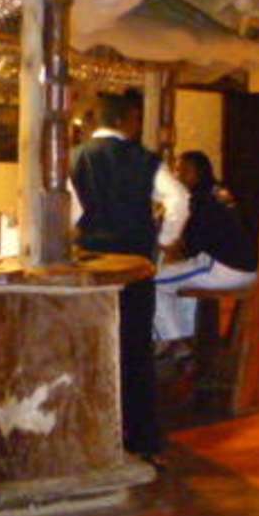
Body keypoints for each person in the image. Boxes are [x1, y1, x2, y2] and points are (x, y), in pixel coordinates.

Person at [70, 92, 188, 462]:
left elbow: (69, 210)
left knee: (91, 349)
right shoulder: (144, 159)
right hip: (136, 265)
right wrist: (164, 241)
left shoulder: (76, 157)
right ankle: (142, 441)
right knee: (135, 351)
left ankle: (93, 437)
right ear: (127, 120)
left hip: (92, 266)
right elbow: (179, 199)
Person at [154, 151, 258, 346]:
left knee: (153, 281)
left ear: (198, 174)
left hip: (227, 267)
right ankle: (187, 340)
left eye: (183, 171)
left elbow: (187, 248)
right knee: (179, 275)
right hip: (244, 266)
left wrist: (167, 239)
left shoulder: (199, 201)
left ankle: (174, 343)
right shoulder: (217, 191)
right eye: (176, 171)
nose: (177, 177)